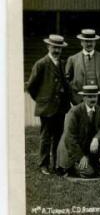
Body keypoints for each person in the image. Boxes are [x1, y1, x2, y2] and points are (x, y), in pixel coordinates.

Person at [26, 34, 71, 175]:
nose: (56, 50)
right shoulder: (41, 64)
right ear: (48, 47)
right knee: (46, 136)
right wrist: (41, 99)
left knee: (59, 136)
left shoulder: (62, 64)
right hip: (46, 107)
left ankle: (57, 164)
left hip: (61, 107)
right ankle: (43, 165)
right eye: (54, 47)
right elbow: (31, 86)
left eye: (59, 48)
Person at [56, 85, 100, 178]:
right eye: (90, 96)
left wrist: (96, 138)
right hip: (71, 150)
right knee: (89, 173)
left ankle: (94, 162)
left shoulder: (98, 109)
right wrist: (80, 156)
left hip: (85, 146)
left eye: (95, 96)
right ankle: (70, 168)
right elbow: (69, 138)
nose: (93, 99)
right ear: (84, 97)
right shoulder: (74, 112)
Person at [65, 29, 100, 108]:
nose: (89, 44)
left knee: (97, 119)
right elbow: (67, 81)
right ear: (81, 42)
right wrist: (73, 97)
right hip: (79, 100)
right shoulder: (73, 59)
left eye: (91, 41)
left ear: (95, 42)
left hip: (99, 99)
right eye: (86, 41)